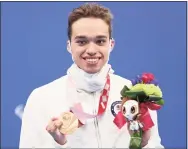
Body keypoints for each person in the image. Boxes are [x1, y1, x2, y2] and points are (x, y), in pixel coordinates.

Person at [19, 3, 164, 148]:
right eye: (82, 42)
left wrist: (142, 144)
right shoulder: (41, 98)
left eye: (100, 41)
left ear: (111, 44)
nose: (92, 50)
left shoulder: (136, 95)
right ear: (69, 45)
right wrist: (58, 144)